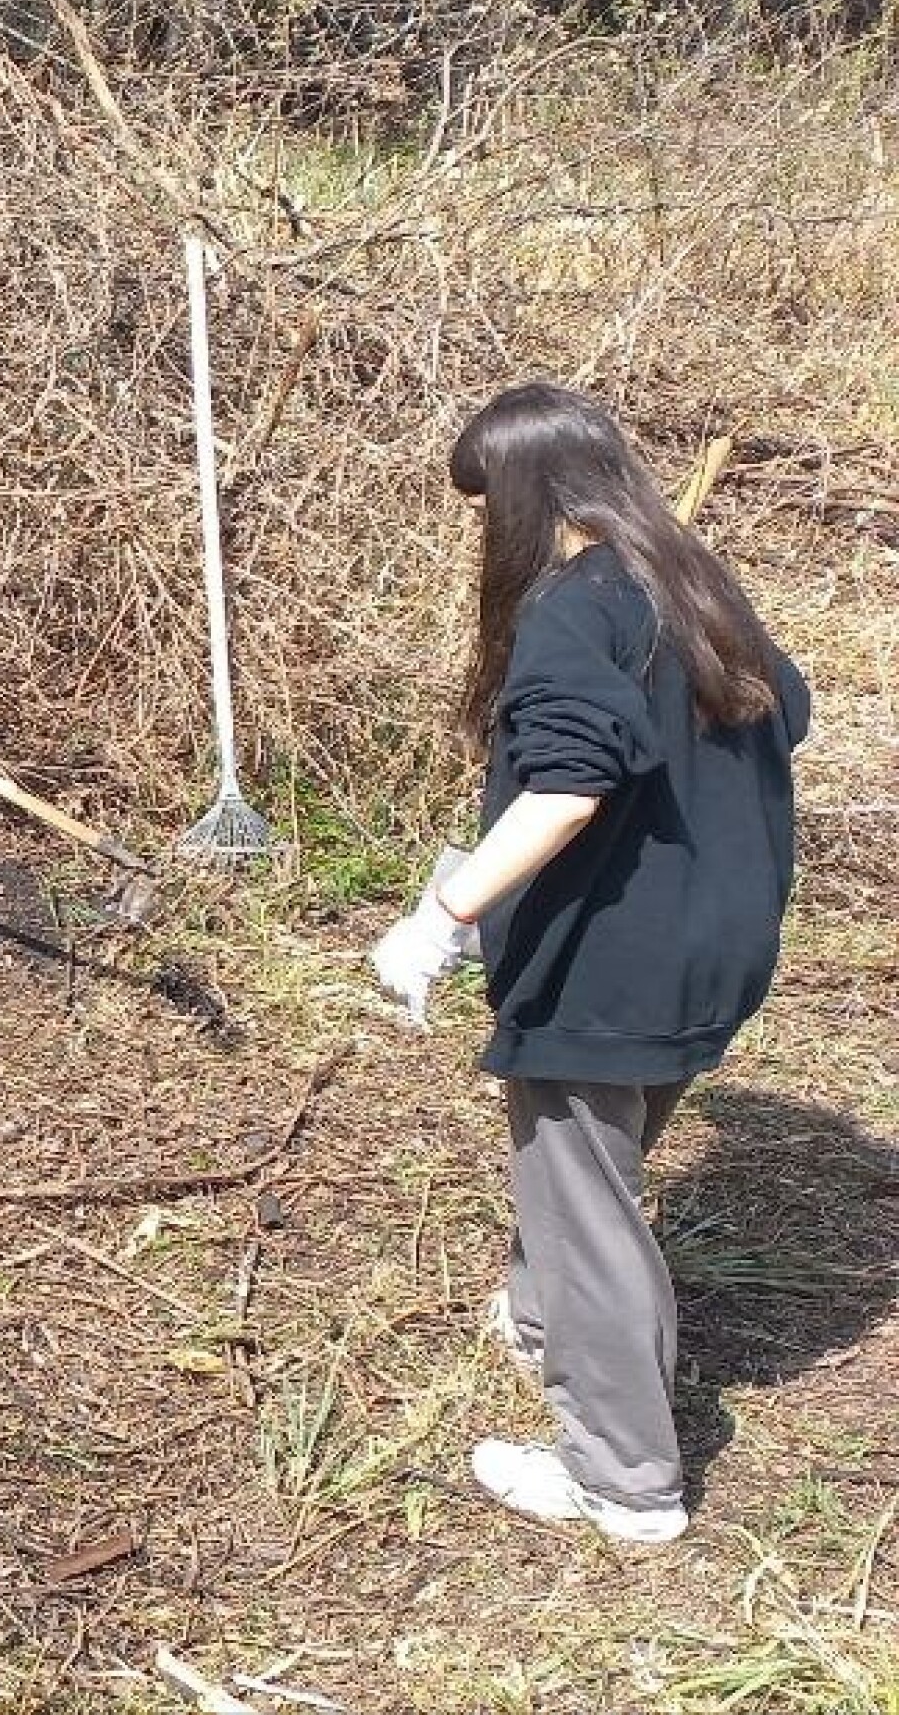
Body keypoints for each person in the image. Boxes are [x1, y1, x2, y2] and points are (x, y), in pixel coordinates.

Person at [371, 381, 811, 1546]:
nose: (483, 529)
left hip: (610, 963)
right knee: (589, 1168)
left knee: (586, 1208)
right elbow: (788, 712)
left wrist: (443, 912)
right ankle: (538, 1320)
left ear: (522, 495)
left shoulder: (574, 603)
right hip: (716, 942)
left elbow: (566, 786)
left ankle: (623, 1480)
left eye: (485, 504)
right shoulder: (691, 577)